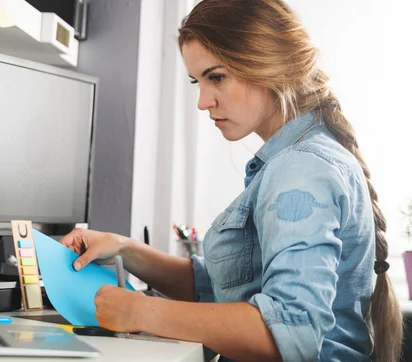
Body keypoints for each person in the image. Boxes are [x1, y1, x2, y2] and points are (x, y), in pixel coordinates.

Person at [59, 0, 402, 361]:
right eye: (197, 81)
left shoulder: (302, 168)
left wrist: (140, 312)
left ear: (268, 63)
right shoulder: (297, 158)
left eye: (216, 77)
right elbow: (224, 290)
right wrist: (125, 249)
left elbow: (289, 332)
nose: (203, 101)